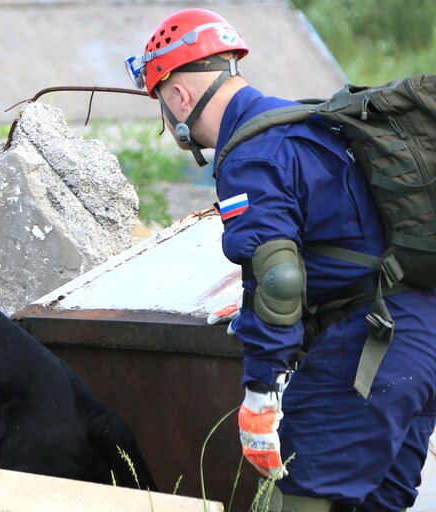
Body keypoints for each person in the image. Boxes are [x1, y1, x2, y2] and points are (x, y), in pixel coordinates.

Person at [125, 8, 436, 511]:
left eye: (163, 103)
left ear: (179, 95)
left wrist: (260, 388)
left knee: (299, 502)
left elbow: (281, 279)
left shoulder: (252, 154)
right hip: (419, 339)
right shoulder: (307, 125)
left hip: (366, 354)